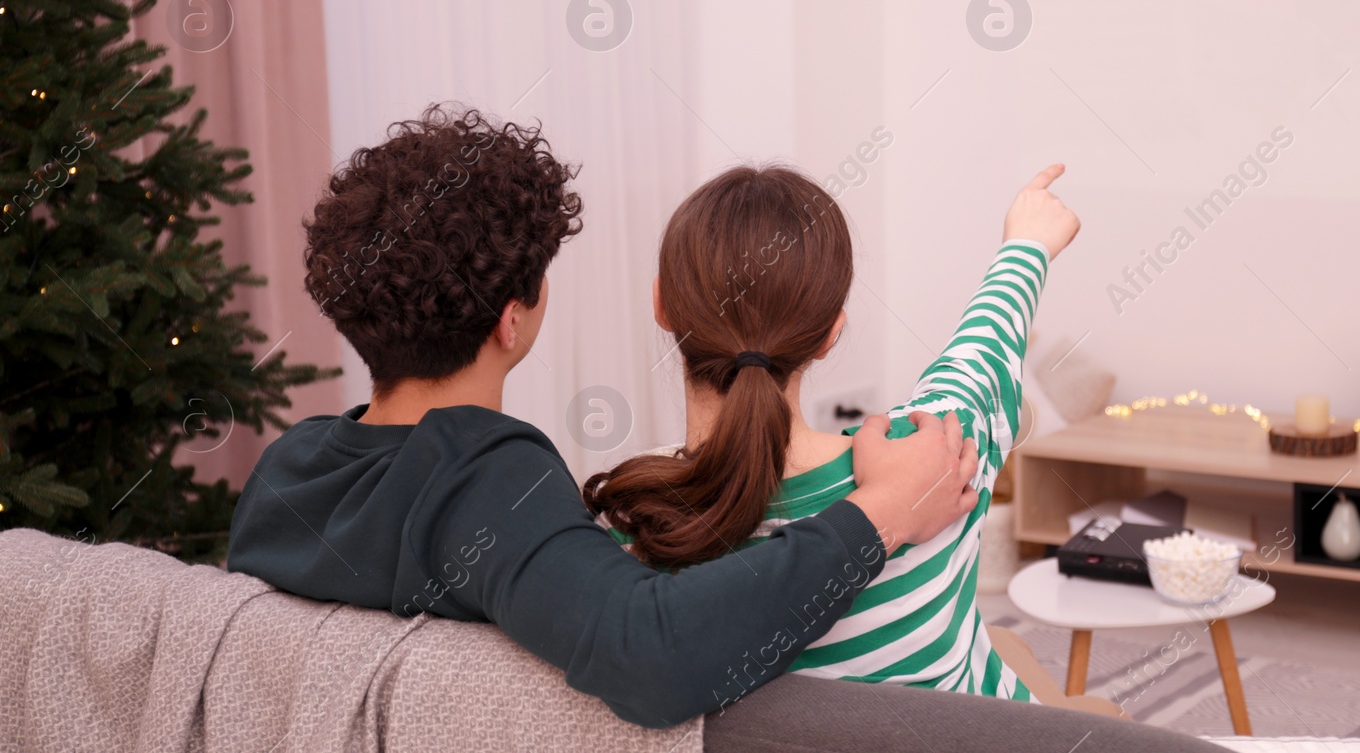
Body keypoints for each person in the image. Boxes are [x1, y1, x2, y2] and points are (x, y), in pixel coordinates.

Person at [225, 107, 982, 728]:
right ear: (511, 322)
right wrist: (882, 509)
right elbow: (655, 653)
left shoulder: (285, 473)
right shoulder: (490, 483)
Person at [586, 162, 1077, 702]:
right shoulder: (934, 459)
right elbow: (982, 350)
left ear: (662, 306)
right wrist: (1026, 247)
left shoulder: (621, 523)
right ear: (829, 335)